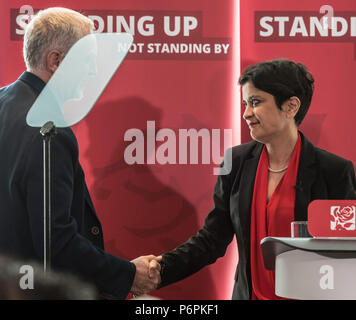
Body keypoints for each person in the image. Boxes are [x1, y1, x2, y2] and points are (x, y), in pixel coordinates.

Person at [154, 58, 356, 299]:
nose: (246, 113)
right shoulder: (236, 162)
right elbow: (212, 239)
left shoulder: (334, 171)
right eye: (244, 103)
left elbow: (346, 254)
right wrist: (160, 270)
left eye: (255, 102)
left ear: (291, 106)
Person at [0, 7, 160, 299]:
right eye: (87, 60)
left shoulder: (3, 102)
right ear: (56, 61)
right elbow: (56, 243)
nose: (92, 71)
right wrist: (127, 274)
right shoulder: (50, 129)